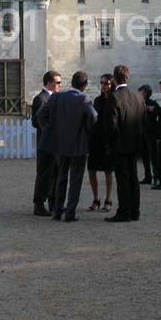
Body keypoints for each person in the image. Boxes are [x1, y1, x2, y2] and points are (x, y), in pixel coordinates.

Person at [37, 71, 96, 222]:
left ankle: (57, 211)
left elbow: (41, 114)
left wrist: (51, 130)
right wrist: (87, 132)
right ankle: (70, 212)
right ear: (84, 86)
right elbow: (93, 117)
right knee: (75, 180)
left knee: (61, 178)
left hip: (60, 144)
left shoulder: (57, 97)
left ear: (72, 82)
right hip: (78, 146)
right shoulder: (84, 99)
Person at [103, 65, 144, 223]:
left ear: (114, 79)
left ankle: (124, 211)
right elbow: (142, 120)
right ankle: (135, 210)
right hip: (134, 142)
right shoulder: (138, 96)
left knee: (123, 179)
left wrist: (109, 143)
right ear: (128, 77)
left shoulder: (114, 97)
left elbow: (111, 125)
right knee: (133, 177)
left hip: (119, 145)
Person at [31, 70, 61, 216]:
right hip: (45, 143)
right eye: (57, 82)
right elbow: (35, 121)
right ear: (49, 83)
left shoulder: (55, 98)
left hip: (55, 143)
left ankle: (53, 203)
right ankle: (39, 204)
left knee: (55, 173)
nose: (60, 85)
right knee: (44, 174)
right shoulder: (40, 99)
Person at [87, 74, 114, 212]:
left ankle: (108, 199)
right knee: (91, 170)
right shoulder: (97, 100)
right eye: (102, 83)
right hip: (95, 139)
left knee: (108, 171)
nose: (103, 86)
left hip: (107, 140)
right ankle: (96, 199)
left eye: (106, 83)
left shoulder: (114, 100)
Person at [138, 84, 160, 186]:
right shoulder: (139, 103)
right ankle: (148, 176)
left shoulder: (153, 104)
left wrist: (152, 109)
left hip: (151, 133)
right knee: (145, 156)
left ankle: (156, 177)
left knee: (153, 156)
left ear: (146, 93)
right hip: (142, 132)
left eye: (141, 92)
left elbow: (158, 113)